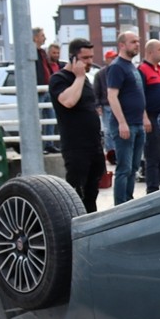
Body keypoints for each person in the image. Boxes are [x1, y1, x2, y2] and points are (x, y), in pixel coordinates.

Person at [49, 38, 105, 213]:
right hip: (76, 146)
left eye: (91, 57)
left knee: (92, 192)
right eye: (85, 58)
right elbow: (69, 101)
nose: (90, 62)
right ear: (73, 58)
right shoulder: (60, 79)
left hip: (93, 144)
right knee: (76, 192)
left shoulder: (85, 80)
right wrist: (79, 77)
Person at [106, 31, 149, 204]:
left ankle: (129, 201)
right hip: (125, 125)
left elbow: (139, 95)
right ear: (122, 45)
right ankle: (120, 206)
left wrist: (144, 117)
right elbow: (112, 96)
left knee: (134, 168)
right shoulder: (117, 67)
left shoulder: (132, 67)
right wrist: (122, 123)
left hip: (137, 124)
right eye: (133, 42)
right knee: (124, 168)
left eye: (138, 42)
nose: (137, 44)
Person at [139, 39, 160, 194]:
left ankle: (158, 183)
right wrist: (144, 117)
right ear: (150, 51)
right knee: (152, 155)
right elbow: (140, 96)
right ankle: (152, 189)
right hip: (151, 117)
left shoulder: (159, 69)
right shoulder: (143, 70)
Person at [33, 27, 59, 153]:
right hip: (37, 89)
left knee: (51, 116)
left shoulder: (42, 52)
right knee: (37, 118)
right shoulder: (31, 52)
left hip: (46, 88)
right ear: (35, 37)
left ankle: (49, 144)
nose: (45, 38)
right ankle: (39, 146)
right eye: (42, 35)